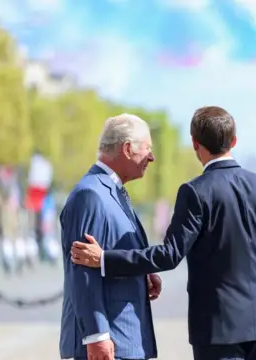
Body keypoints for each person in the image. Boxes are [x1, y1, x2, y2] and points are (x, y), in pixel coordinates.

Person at [71, 106, 256, 360]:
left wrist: (105, 259)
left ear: (195, 144)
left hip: (217, 327)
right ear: (234, 141)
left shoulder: (196, 192)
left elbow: (169, 255)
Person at [59, 114, 163, 360]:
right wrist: (96, 335)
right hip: (109, 344)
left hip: (123, 341)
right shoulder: (91, 195)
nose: (151, 157)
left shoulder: (111, 192)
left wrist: (141, 274)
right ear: (127, 149)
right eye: (147, 149)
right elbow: (82, 271)